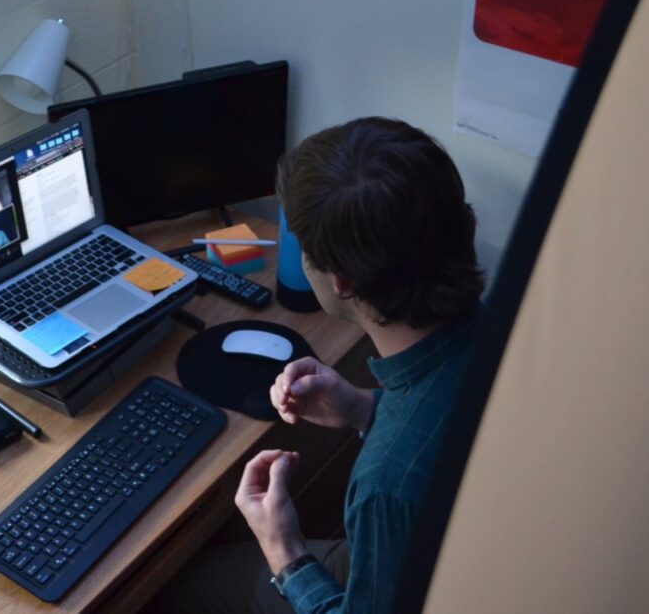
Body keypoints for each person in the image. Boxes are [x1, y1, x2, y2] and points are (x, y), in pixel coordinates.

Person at [150, 117, 485, 613]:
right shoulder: (503, 327)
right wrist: (363, 409)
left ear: (340, 280)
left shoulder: (386, 487)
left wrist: (286, 553)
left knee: (170, 588)